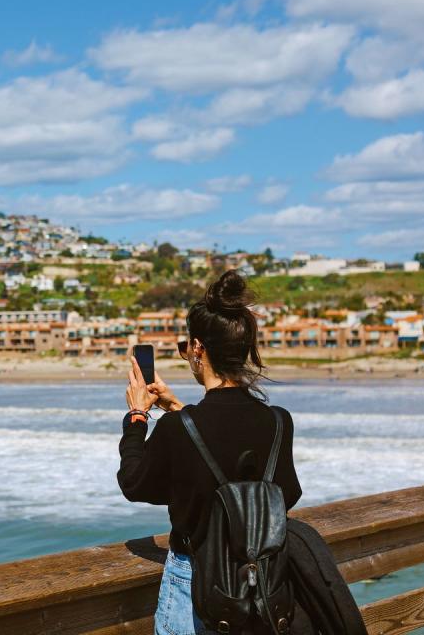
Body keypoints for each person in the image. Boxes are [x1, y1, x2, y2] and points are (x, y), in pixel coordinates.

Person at [118, 270, 302, 635]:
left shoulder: (180, 429)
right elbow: (288, 493)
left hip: (196, 580)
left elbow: (135, 484)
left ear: (199, 348)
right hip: (262, 583)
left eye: (186, 347)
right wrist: (177, 409)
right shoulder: (278, 421)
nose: (187, 354)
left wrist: (138, 417)